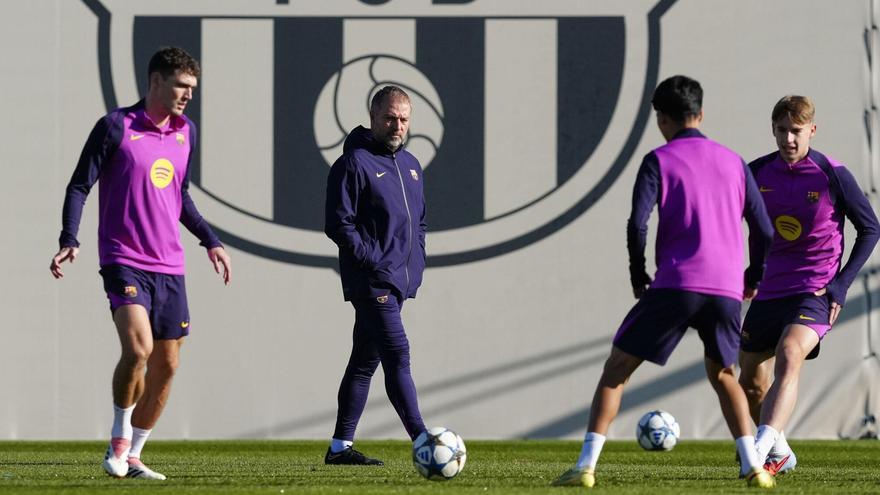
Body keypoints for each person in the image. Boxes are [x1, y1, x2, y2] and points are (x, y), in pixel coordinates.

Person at [552, 75, 776, 489]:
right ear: (701, 114)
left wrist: (639, 274)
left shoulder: (659, 159)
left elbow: (638, 224)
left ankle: (585, 467)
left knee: (616, 371)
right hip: (725, 291)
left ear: (661, 119)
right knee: (724, 374)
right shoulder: (734, 162)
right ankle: (754, 467)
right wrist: (752, 275)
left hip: (676, 284)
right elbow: (764, 230)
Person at [49, 47, 231, 480]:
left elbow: (181, 195)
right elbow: (80, 185)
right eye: (181, 86)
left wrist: (210, 240)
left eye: (192, 88)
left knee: (167, 365)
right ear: (155, 82)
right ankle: (117, 441)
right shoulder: (116, 126)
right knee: (138, 350)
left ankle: (133, 456)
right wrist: (69, 238)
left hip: (170, 265)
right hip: (123, 259)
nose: (188, 95)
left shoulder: (187, 131)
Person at [738, 95, 880, 476]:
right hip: (769, 291)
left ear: (811, 131)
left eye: (796, 131)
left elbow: (871, 229)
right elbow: (741, 225)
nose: (788, 139)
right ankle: (780, 450)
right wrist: (750, 273)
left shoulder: (832, 174)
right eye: (782, 131)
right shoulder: (755, 174)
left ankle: (759, 448)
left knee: (789, 352)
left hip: (815, 291)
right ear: (773, 130)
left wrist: (841, 284)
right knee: (749, 381)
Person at [323, 85, 428, 465]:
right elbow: (338, 223)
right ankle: (422, 440)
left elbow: (420, 223)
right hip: (371, 280)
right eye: (389, 117)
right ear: (373, 117)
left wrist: (416, 264)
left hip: (398, 282)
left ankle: (339, 448)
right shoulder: (354, 164)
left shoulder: (412, 166)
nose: (397, 125)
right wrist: (371, 261)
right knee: (397, 352)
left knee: (364, 362)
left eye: (403, 119)